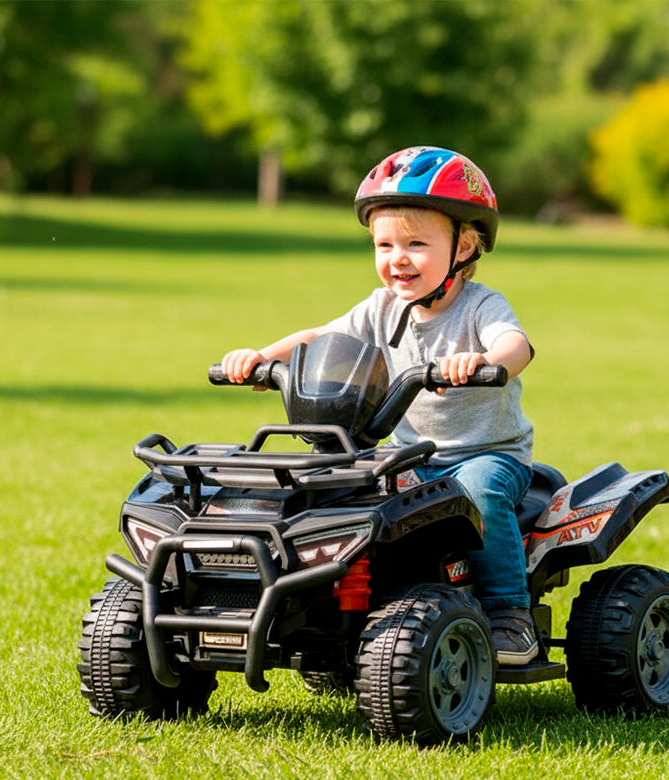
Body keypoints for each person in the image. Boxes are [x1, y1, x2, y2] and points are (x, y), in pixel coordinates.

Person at [221, 146, 539, 664]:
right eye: (385, 243)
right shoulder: (382, 307)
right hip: (410, 455)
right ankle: (337, 608)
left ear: (464, 245)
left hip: (486, 454)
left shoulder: (481, 305)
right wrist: (262, 358)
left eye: (416, 243)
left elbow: (516, 345)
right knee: (336, 494)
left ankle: (509, 615)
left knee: (479, 493)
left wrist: (481, 359)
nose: (397, 258)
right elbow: (318, 336)